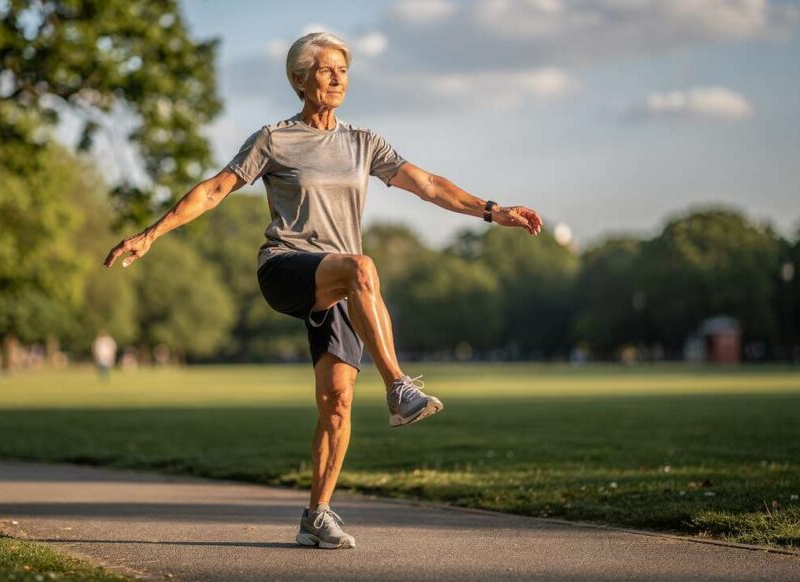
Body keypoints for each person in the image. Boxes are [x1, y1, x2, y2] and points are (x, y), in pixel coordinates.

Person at [104, 32, 543, 549]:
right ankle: (399, 387)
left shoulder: (364, 143)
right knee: (362, 266)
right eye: (326, 69)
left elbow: (428, 185)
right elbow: (216, 189)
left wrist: (493, 210)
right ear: (299, 79)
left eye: (343, 70)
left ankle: (316, 514)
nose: (338, 78)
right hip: (286, 267)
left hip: (341, 284)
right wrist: (151, 233)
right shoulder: (274, 139)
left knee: (337, 400)